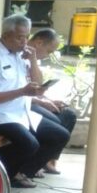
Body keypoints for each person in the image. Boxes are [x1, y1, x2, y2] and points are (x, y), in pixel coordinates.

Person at [0, 15, 69, 188]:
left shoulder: (20, 55)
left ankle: (22, 173)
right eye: (20, 37)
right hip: (0, 115)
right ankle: (0, 180)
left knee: (59, 135)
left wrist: (33, 60)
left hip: (22, 111)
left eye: (26, 37)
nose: (24, 42)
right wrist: (22, 92)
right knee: (29, 144)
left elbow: (38, 82)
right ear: (6, 35)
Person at [27, 27, 78, 175]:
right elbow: (21, 91)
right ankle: (32, 165)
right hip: (24, 105)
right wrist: (41, 102)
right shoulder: (18, 57)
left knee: (68, 114)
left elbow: (37, 85)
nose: (48, 56)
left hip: (32, 100)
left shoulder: (32, 58)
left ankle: (49, 160)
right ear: (39, 43)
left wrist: (48, 100)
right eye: (49, 51)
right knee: (56, 122)